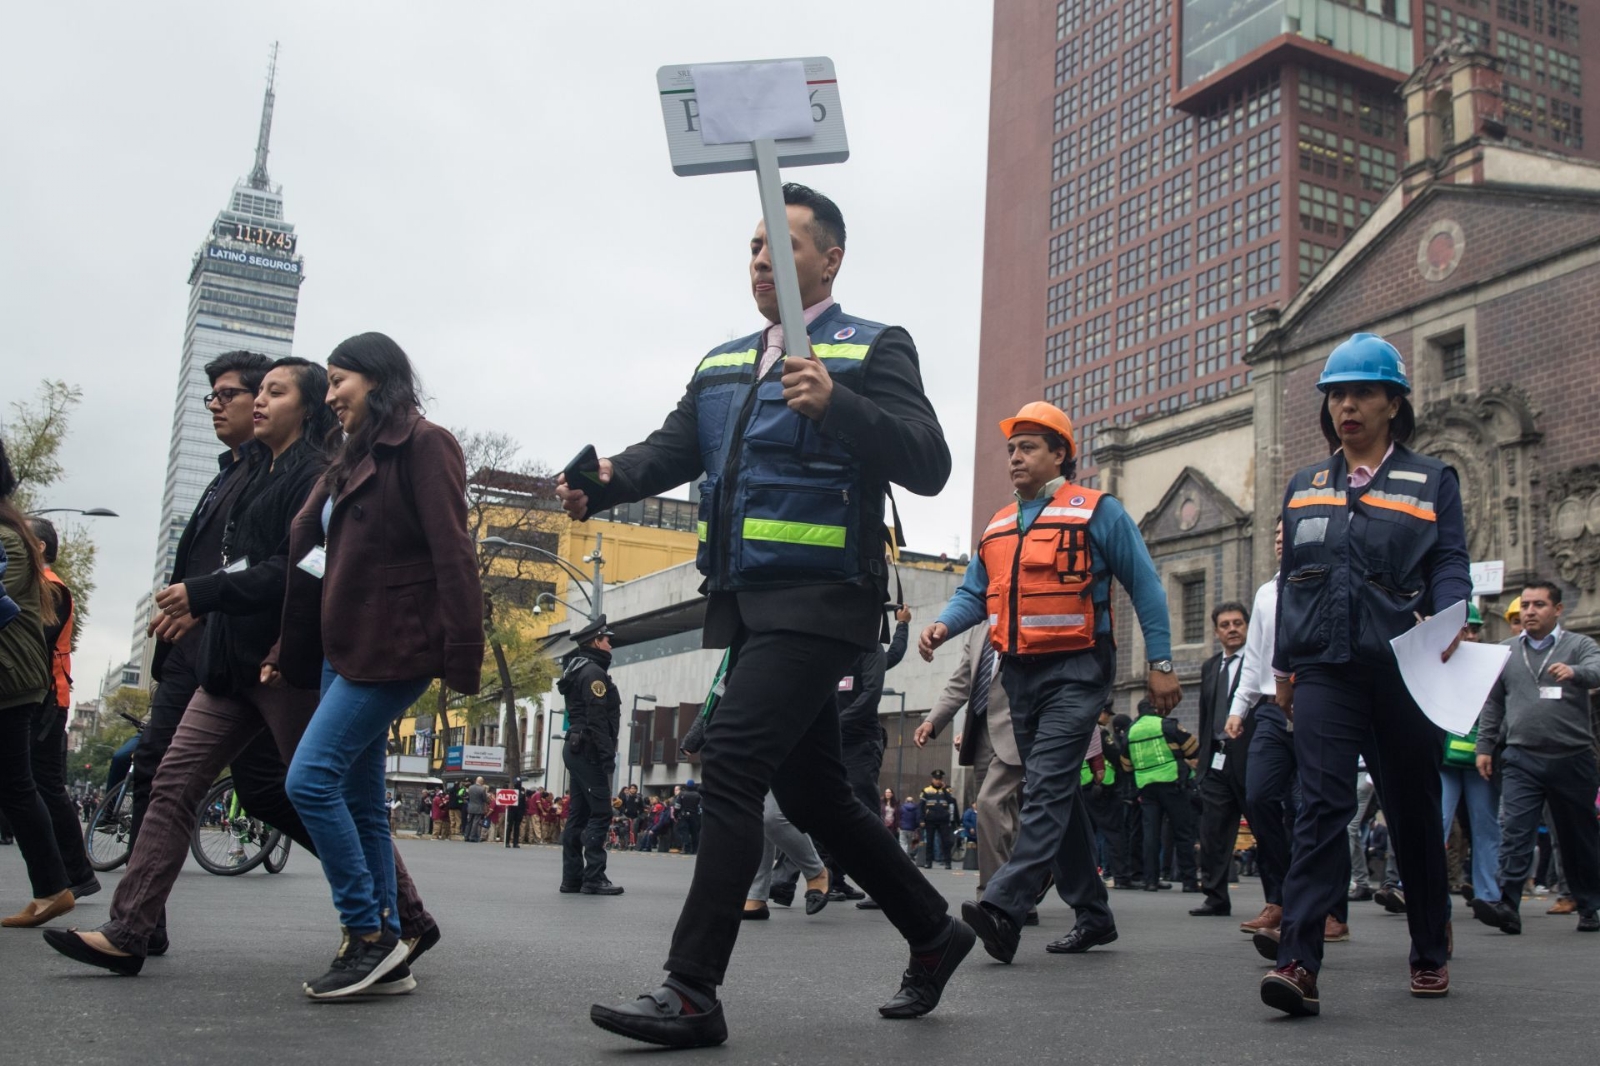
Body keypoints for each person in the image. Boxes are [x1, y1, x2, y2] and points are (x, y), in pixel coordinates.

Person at [569, 183, 971, 1047]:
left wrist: (842, 404)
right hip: (746, 607)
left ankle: (691, 990)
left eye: (782, 245)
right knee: (820, 799)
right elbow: (671, 450)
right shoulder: (724, 363)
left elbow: (931, 461)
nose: (760, 259)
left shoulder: (872, 347)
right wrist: (602, 481)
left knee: (733, 765)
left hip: (825, 604)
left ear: (830, 259)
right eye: (753, 244)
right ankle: (935, 933)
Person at [46, 358, 440, 984]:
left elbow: (303, 570)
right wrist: (205, 604)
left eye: (272, 393)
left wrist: (207, 596)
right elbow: (242, 561)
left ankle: (404, 920)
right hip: (227, 666)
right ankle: (129, 932)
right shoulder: (252, 468)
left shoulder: (318, 474)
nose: (256, 402)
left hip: (283, 667)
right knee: (172, 783)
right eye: (255, 392)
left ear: (307, 408)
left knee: (316, 789)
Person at [1260, 333, 1469, 1016]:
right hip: (1323, 667)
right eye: (1337, 395)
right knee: (1320, 805)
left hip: (1403, 667)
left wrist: (1452, 614)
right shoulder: (1303, 487)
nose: (1347, 406)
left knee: (1411, 812)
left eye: (1362, 394)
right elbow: (1293, 580)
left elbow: (1447, 561)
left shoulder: (1431, 479)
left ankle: (1430, 946)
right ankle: (1298, 962)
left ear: (1392, 403)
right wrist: (1283, 667)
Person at [923, 399, 1178, 962]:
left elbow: (1147, 585)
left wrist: (1160, 664)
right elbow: (975, 593)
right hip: (1020, 675)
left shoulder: (1098, 512)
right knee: (1056, 794)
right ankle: (1093, 914)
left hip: (1079, 671)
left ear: (1061, 454)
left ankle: (1004, 907)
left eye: (1028, 447)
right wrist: (943, 625)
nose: (1014, 457)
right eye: (1011, 449)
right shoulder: (997, 524)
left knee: (1044, 786)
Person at [273, 334, 484, 1000]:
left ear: (378, 379)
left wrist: (460, 653)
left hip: (394, 645)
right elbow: (316, 559)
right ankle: (389, 944)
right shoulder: (350, 456)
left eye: (339, 381)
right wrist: (289, 648)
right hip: (345, 645)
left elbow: (454, 556)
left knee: (308, 780)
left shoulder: (426, 445)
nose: (330, 395)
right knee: (362, 803)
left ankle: (366, 936)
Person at [1470, 581, 1600, 935]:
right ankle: (1507, 906)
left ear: (1558, 610)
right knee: (1514, 830)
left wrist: (1577, 673)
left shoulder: (1579, 645)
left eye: (1538, 605)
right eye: (1525, 605)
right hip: (1521, 757)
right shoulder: (1506, 651)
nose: (1529, 611)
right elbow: (1493, 703)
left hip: (1572, 757)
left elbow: (1598, 667)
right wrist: (1484, 747)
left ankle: (1590, 905)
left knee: (1578, 837)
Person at [0, 439, 76, 927]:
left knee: (19, 785)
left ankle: (55, 886)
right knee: (16, 786)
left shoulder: (7, 538)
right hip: (18, 678)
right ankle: (53, 887)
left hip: (9, 677)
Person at [915, 619, 1024, 901]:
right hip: (982, 732)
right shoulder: (978, 629)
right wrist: (933, 721)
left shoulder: (1023, 610)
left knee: (991, 805)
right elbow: (962, 681)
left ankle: (997, 895)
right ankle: (1012, 891)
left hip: (1019, 727)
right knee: (1000, 816)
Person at [27, 519, 101, 900]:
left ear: (38, 547)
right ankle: (73, 873)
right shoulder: (38, 585)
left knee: (46, 787)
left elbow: (35, 644)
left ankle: (75, 873)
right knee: (38, 786)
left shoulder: (50, 588)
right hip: (38, 698)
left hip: (45, 702)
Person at [1438, 606, 1501, 909]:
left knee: (1486, 824)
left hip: (1481, 758)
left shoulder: (1493, 662)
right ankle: (1422, 888)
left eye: (1475, 629)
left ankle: (1488, 895)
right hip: (1445, 758)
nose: (1472, 635)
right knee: (1437, 821)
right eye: (1466, 629)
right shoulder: (1438, 660)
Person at [1190, 602, 1250, 917]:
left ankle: (1278, 900)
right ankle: (1215, 897)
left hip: (1250, 759)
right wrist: (1202, 764)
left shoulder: (1256, 664)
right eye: (1225, 624)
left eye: (1238, 623)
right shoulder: (1211, 667)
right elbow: (1205, 716)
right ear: (1216, 632)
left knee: (1266, 829)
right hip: (1216, 761)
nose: (1232, 629)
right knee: (1212, 832)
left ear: (1247, 626)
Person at [558, 616, 624, 894]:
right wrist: (608, 756)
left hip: (577, 747)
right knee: (600, 812)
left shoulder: (579, 669)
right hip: (588, 749)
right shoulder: (594, 673)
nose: (610, 644)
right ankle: (594, 878)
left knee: (579, 814)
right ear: (596, 641)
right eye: (607, 639)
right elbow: (597, 719)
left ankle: (572, 878)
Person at [1122, 700, 1200, 892]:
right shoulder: (1165, 724)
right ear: (1155, 710)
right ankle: (1189, 881)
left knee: (1151, 836)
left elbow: (1126, 764)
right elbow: (1192, 747)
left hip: (1146, 787)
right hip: (1172, 783)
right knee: (1182, 833)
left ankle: (1151, 881)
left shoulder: (1131, 731)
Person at [918, 770, 957, 870]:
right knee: (929, 842)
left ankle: (947, 862)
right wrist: (921, 819)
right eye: (936, 779)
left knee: (946, 842)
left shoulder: (947, 790)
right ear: (932, 779)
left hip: (943, 819)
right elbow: (921, 807)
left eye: (940, 779)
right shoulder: (926, 790)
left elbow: (951, 801)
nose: (938, 781)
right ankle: (928, 862)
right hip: (930, 819)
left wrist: (944, 790)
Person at [675, 780, 702, 856]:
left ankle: (686, 848)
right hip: (695, 816)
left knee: (685, 832)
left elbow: (677, 806)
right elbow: (700, 807)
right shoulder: (698, 795)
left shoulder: (682, 794)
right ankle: (695, 849)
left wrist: (676, 814)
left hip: (683, 816)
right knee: (695, 833)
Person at [504, 778, 527, 849]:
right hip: (511, 811)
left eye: (519, 783)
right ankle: (507, 842)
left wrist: (523, 813)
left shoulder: (523, 793)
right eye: (517, 783)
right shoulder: (511, 792)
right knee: (509, 827)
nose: (518, 784)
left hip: (519, 812)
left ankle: (515, 843)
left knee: (517, 828)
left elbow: (524, 804)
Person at [465, 776, 488, 844]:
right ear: (481, 781)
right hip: (478, 807)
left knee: (469, 821)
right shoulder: (482, 789)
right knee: (475, 822)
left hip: (471, 806)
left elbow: (469, 796)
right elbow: (485, 799)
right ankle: (472, 837)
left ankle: (466, 836)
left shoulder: (470, 787)